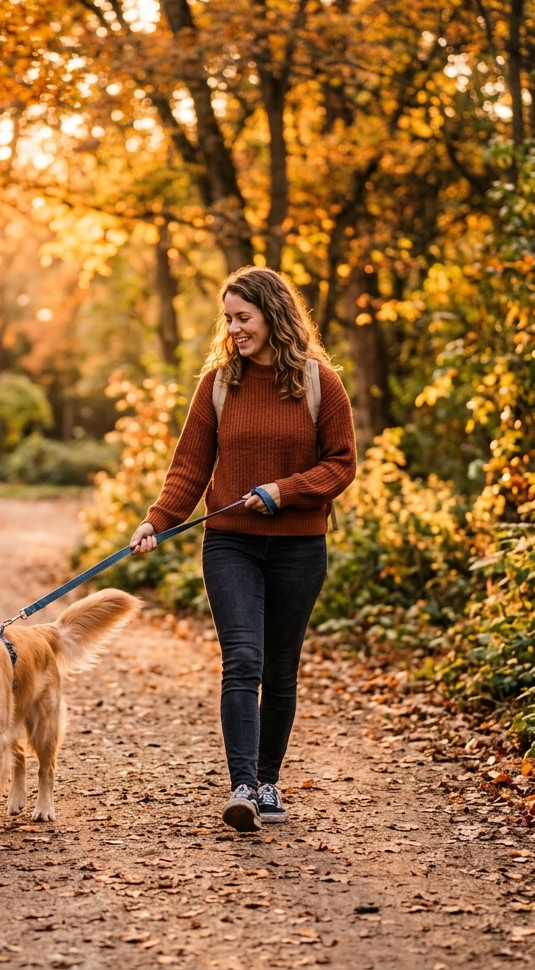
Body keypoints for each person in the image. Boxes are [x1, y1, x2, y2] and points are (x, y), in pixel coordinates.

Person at [129, 267, 356, 833]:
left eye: (243, 318)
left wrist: (285, 491)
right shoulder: (218, 384)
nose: (233, 330)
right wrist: (156, 521)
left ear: (273, 315)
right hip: (230, 544)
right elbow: (189, 466)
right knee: (243, 661)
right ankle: (243, 787)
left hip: (300, 547)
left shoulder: (319, 383)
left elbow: (342, 464)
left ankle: (269, 778)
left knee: (280, 668)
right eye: (227, 319)